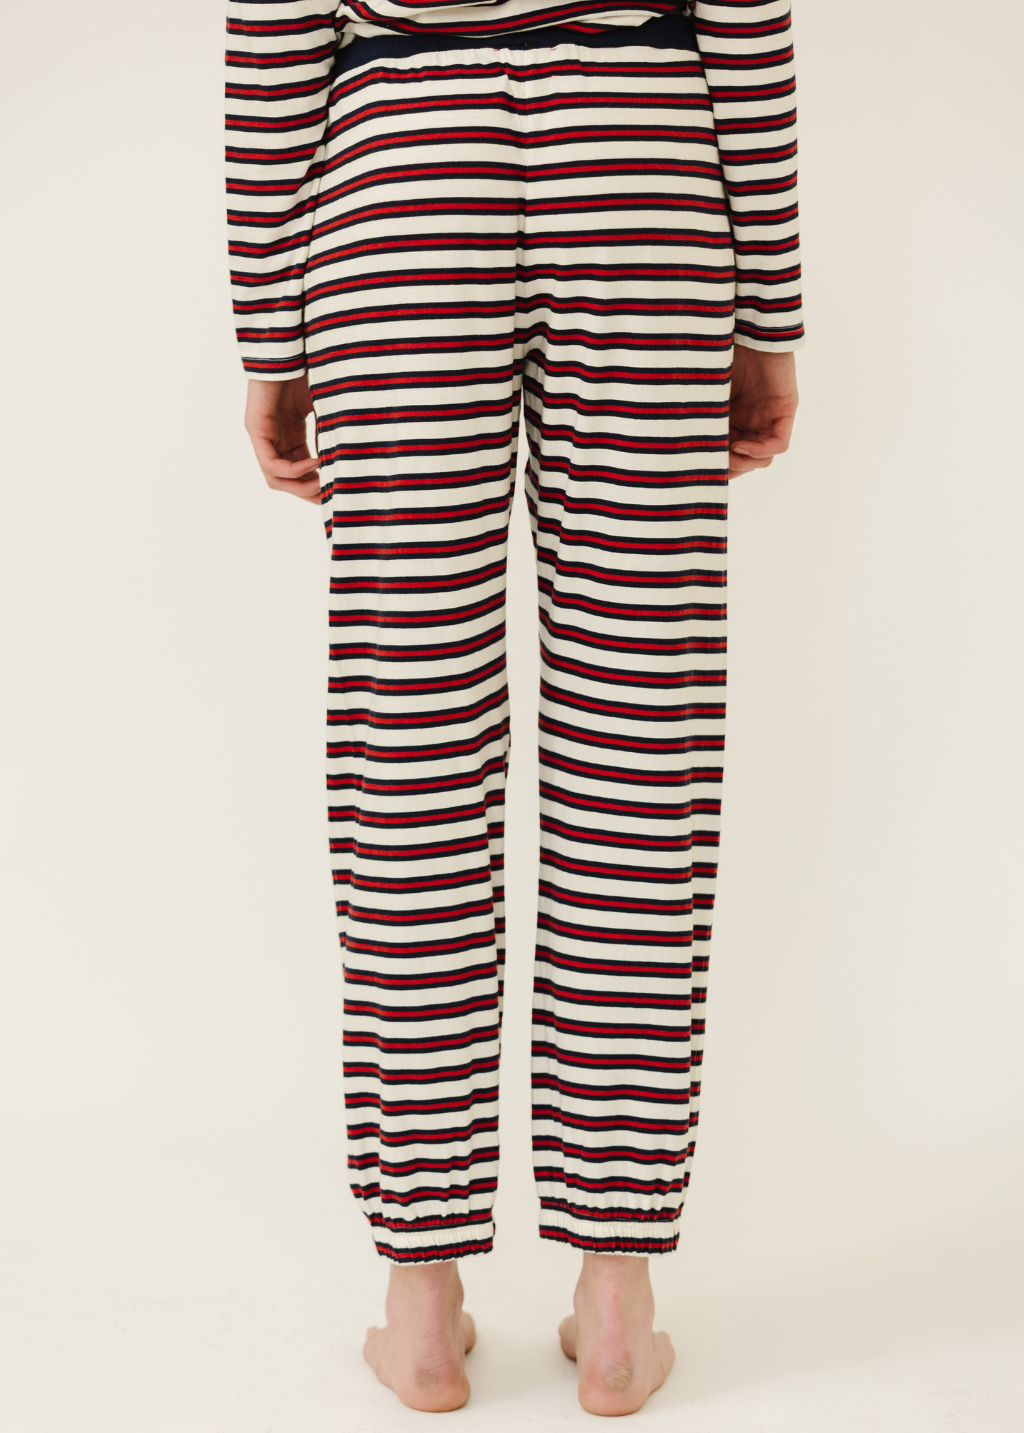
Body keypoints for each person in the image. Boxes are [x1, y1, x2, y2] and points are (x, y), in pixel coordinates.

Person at [227, 0, 801, 1413]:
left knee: (409, 739)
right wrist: (769, 313)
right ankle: (613, 1299)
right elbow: (745, 15)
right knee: (641, 738)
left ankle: (421, 1297)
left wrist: (270, 331)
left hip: (400, 171)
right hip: (644, 166)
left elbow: (275, 28)